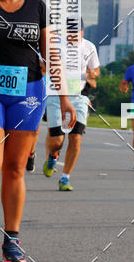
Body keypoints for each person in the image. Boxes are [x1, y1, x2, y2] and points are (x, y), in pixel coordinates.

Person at [0, 0, 76, 262]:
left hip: (29, 92)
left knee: (15, 168)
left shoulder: (36, 7)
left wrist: (63, 96)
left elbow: (51, 55)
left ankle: (13, 239)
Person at [42, 22, 100, 190]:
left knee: (76, 138)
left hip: (79, 96)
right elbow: (43, 66)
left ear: (83, 31)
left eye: (78, 31)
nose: (74, 34)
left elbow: (96, 71)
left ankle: (65, 177)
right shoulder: (55, 44)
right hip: (56, 95)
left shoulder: (89, 47)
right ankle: (53, 156)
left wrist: (92, 73)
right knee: (57, 141)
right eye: (71, 31)